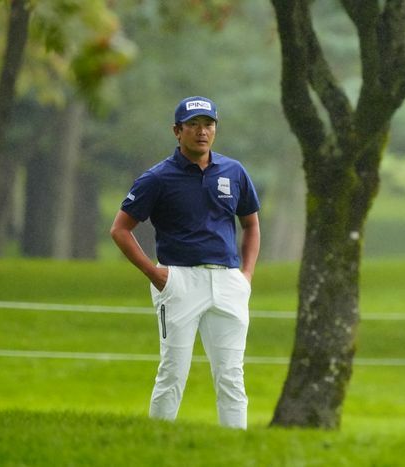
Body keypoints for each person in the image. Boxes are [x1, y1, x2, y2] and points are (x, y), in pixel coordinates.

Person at [110, 96, 260, 429]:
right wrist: (154, 274)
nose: (201, 132)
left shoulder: (234, 172)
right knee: (173, 372)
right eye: (193, 125)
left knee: (232, 376)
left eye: (208, 124)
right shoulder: (157, 178)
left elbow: (250, 224)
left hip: (228, 282)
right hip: (178, 282)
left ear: (216, 129)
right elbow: (120, 229)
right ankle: (158, 448)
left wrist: (246, 276)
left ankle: (234, 451)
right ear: (177, 131)